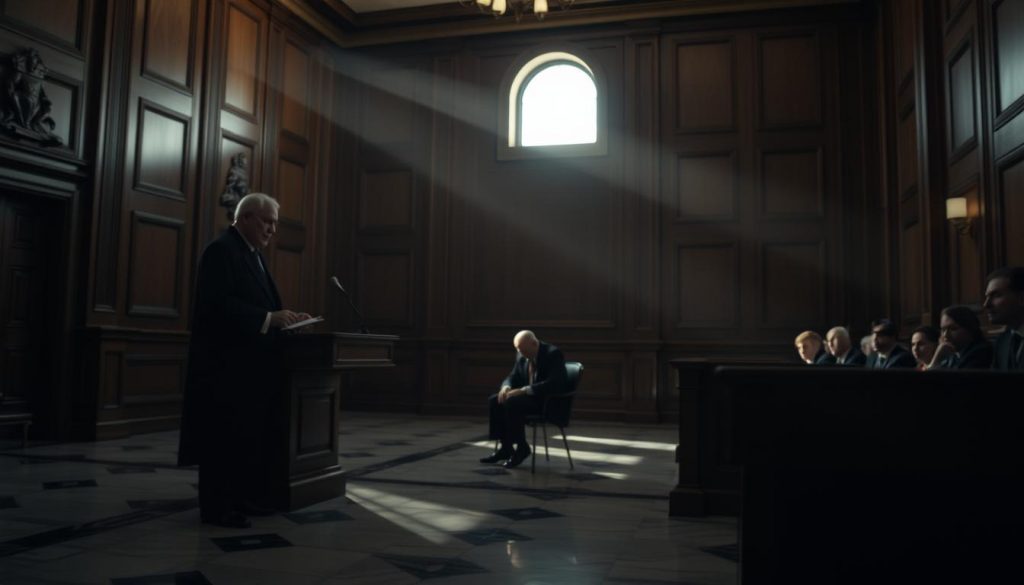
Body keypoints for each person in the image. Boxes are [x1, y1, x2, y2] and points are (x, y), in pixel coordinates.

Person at [177, 193, 312, 528]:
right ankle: (217, 509)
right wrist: (269, 318)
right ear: (246, 218)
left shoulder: (253, 255)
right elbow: (216, 306)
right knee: (223, 441)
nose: (272, 229)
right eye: (267, 221)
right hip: (225, 370)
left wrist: (287, 322)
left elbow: (255, 305)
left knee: (246, 440)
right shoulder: (221, 251)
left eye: (275, 223)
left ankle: (243, 500)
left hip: (253, 370)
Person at [480, 330, 567, 469]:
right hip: (528, 399)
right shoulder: (523, 353)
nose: (522, 355)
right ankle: (506, 447)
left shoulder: (553, 354)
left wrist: (523, 390)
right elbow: (512, 376)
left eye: (524, 351)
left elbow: (555, 383)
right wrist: (506, 387)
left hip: (546, 401)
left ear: (534, 344)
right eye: (519, 351)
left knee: (512, 403)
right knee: (496, 400)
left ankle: (522, 448)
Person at [983, 267, 1024, 371]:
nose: (986, 304)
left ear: (1021, 299)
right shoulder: (1002, 341)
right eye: (987, 297)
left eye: (996, 295)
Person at [927, 306, 993, 369]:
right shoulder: (952, 355)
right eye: (943, 329)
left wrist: (937, 357)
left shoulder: (980, 353)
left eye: (953, 329)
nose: (945, 335)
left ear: (970, 329)